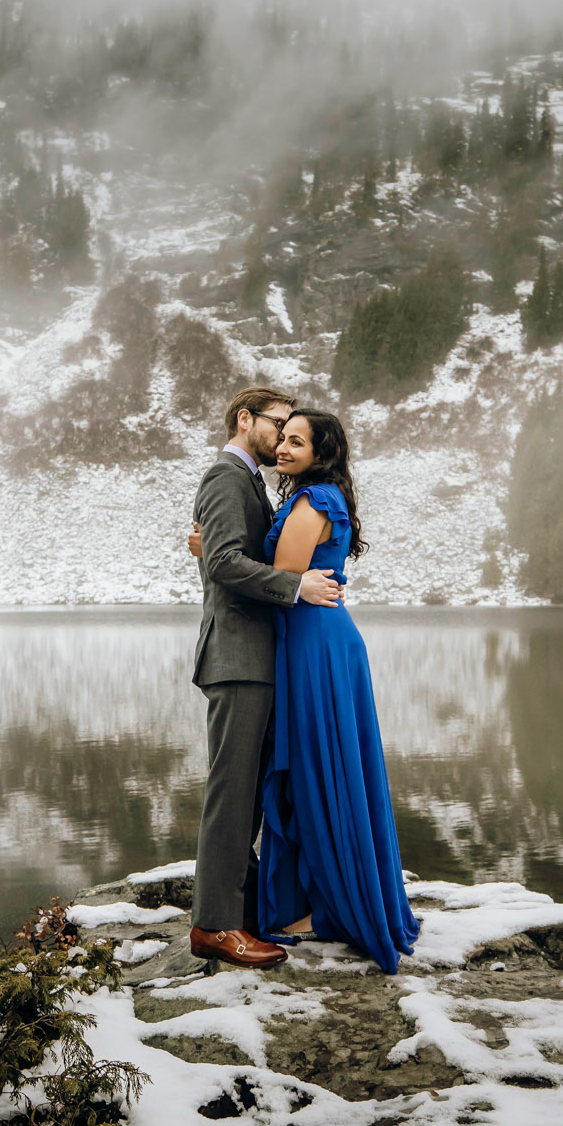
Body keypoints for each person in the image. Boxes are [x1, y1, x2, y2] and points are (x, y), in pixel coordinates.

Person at [254, 409, 419, 972]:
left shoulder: (315, 500)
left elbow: (279, 577)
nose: (283, 447)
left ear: (320, 453)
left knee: (319, 771)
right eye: (282, 438)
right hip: (318, 639)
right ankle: (322, 898)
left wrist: (216, 558)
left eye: (296, 441)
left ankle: (331, 908)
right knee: (321, 770)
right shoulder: (316, 497)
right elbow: (290, 577)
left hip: (315, 647)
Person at [187, 387, 344, 969]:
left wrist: (209, 552)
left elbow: (226, 554)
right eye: (277, 424)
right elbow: (228, 563)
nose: (282, 436)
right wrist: (294, 586)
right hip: (238, 658)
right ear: (243, 418)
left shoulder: (250, 481)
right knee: (231, 794)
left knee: (248, 793)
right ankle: (215, 926)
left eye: (290, 429)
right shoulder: (227, 477)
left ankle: (240, 910)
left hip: (256, 656)